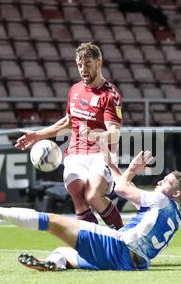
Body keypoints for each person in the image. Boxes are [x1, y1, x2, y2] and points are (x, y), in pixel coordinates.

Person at [0, 151, 181, 271]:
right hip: (133, 264)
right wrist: (111, 165)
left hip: (117, 246)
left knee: (52, 221)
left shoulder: (159, 200)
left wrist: (133, 169)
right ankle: (55, 265)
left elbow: (122, 188)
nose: (159, 183)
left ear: (175, 193)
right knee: (63, 253)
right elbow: (129, 188)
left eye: (165, 182)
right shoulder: (173, 213)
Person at [14, 43, 124, 229]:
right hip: (75, 152)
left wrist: (95, 136)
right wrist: (38, 135)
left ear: (99, 63)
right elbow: (68, 122)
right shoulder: (75, 90)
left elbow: (114, 134)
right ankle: (93, 245)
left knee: (93, 196)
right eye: (79, 65)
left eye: (88, 64)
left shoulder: (110, 95)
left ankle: (124, 240)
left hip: (101, 152)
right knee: (78, 196)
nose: (83, 69)